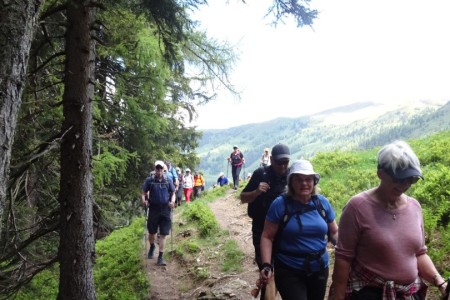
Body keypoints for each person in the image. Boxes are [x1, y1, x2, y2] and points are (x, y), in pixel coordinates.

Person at [329, 140, 448, 300]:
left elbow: (419, 253)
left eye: (411, 179)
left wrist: (440, 282)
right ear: (380, 173)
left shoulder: (414, 207)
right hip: (370, 294)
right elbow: (343, 259)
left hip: (408, 293)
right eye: (399, 179)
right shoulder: (357, 207)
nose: (405, 184)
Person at [260, 159, 338, 300]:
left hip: (319, 268)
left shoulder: (322, 203)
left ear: (314, 181)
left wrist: (346, 251)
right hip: (289, 269)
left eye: (308, 179)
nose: (304, 183)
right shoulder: (280, 204)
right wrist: (266, 265)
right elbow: (267, 236)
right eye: (299, 179)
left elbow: (334, 232)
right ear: (291, 182)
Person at [240, 143, 291, 300]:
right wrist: (256, 192)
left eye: (285, 163)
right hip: (261, 231)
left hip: (285, 233)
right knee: (268, 272)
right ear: (272, 160)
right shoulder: (260, 174)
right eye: (279, 163)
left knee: (279, 273)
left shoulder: (291, 176)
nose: (283, 166)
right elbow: (242, 197)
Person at [141, 160, 176, 266]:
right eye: (157, 168)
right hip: (153, 209)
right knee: (152, 233)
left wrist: (173, 201)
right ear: (155, 169)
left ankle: (160, 257)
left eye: (161, 169)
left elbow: (173, 193)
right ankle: (152, 246)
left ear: (163, 169)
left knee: (163, 234)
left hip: (165, 209)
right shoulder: (150, 180)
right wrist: (144, 200)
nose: (159, 171)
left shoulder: (168, 179)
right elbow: (143, 193)